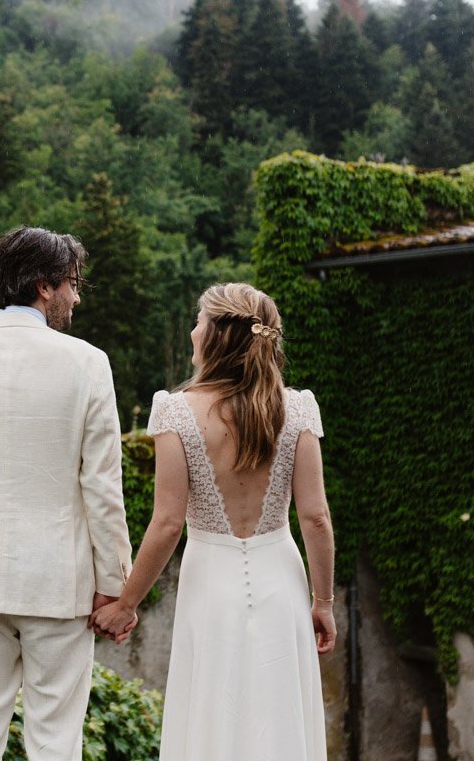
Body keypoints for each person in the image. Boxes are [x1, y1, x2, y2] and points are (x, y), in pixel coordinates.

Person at [0, 226, 134, 761]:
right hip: (59, 582)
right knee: (56, 743)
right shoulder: (88, 363)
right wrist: (113, 585)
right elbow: (102, 486)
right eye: (73, 284)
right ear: (44, 286)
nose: (76, 298)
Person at [91, 282, 335, 760]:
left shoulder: (176, 411)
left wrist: (126, 604)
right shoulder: (299, 408)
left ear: (217, 335)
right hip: (282, 585)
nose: (192, 331)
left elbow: (167, 524)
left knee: (213, 713)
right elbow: (316, 518)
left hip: (209, 586)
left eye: (198, 321)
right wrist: (323, 603)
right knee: (278, 715)